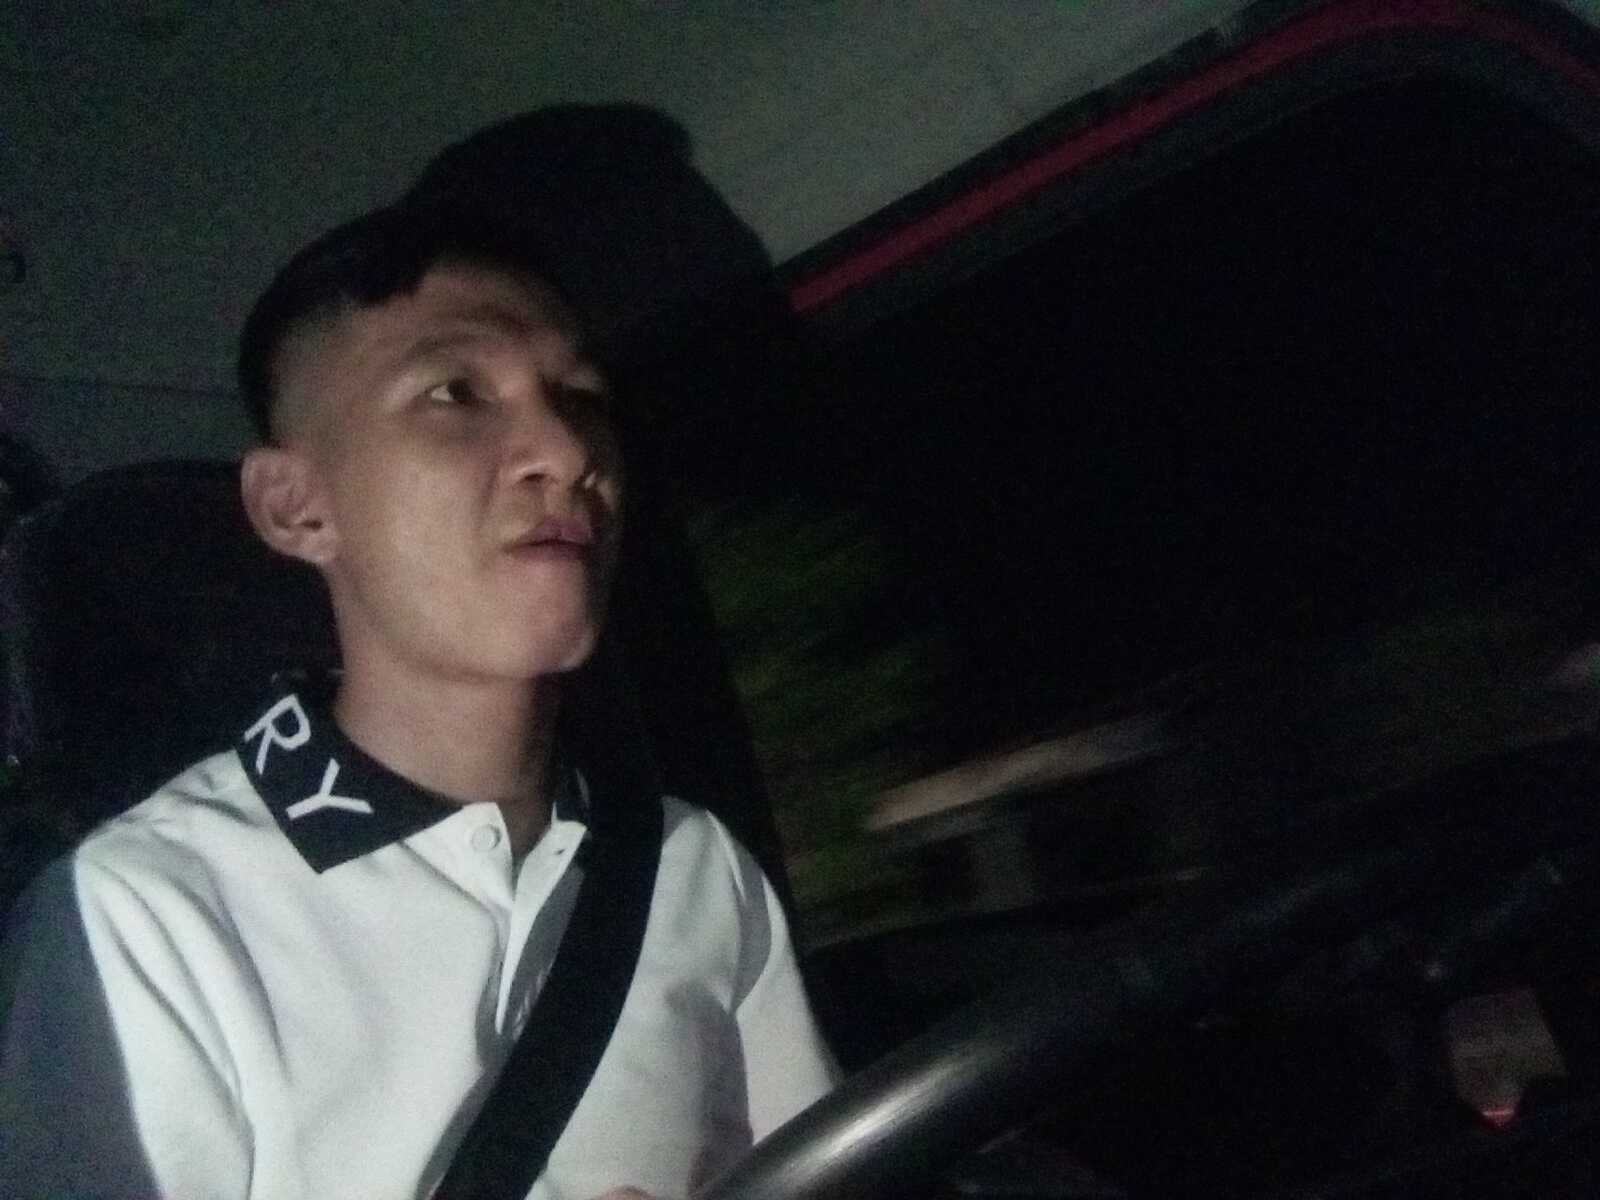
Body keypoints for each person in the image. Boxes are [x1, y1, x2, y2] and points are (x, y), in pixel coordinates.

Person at [0, 203, 837, 1197]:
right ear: (296, 508)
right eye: (456, 393)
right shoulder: (142, 915)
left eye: (581, 395)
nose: (566, 450)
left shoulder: (690, 865)